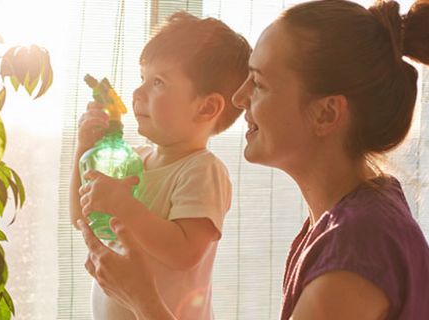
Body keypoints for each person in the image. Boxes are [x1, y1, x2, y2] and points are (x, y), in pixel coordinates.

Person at [78, 0, 429, 319]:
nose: (239, 97)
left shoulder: (359, 248)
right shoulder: (345, 224)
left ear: (325, 114)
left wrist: (142, 300)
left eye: (258, 83)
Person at [69, 12, 251, 319]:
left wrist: (124, 206)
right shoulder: (133, 158)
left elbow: (185, 252)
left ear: (206, 106)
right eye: (142, 79)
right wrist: (83, 150)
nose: (138, 93)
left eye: (158, 82)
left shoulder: (203, 171)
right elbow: (81, 218)